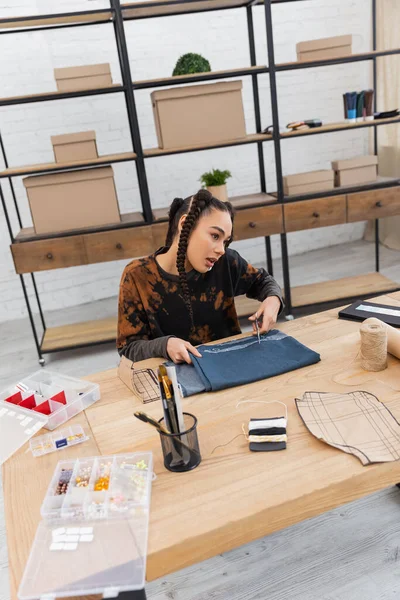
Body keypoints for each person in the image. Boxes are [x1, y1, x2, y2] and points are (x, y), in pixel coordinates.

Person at [117, 188, 284, 364]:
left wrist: (273, 300)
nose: (221, 249)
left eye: (225, 241)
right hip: (177, 380)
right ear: (184, 225)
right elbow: (129, 348)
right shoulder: (137, 276)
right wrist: (165, 345)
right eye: (214, 236)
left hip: (233, 366)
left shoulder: (226, 262)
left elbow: (263, 281)